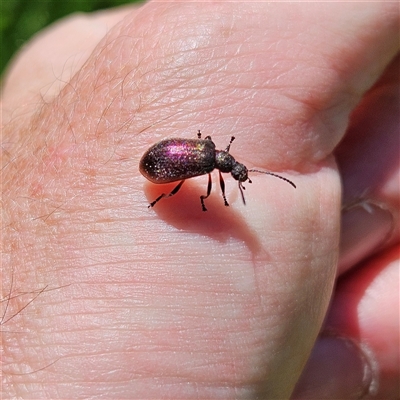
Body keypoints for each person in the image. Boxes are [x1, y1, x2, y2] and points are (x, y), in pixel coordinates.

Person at [2, 2, 398, 399]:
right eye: (238, 175)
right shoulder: (209, 161)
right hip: (163, 164)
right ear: (227, 161)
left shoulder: (210, 152)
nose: (238, 177)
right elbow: (205, 185)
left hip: (166, 158)